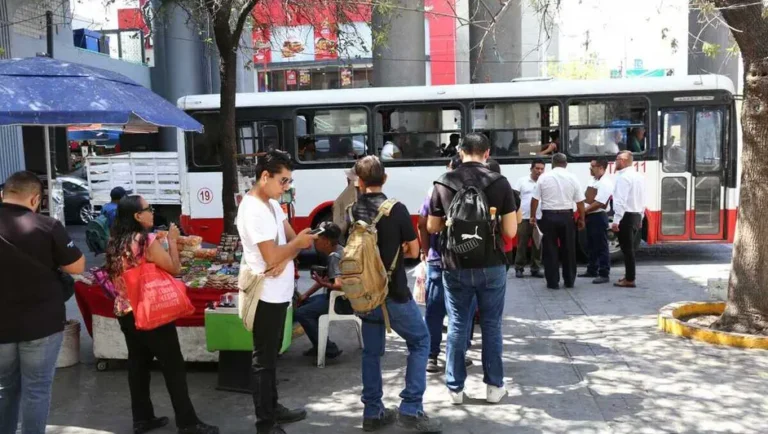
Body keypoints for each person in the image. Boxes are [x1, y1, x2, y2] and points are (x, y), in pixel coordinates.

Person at [104, 195, 217, 434]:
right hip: (151, 310)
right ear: (137, 216)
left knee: (138, 365)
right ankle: (188, 423)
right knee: (173, 366)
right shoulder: (145, 240)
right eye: (149, 209)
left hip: (126, 311)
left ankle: (142, 418)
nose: (152, 213)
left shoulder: (115, 241)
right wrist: (174, 241)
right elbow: (174, 268)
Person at [427, 133, 519, 406]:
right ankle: (493, 388)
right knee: (491, 326)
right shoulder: (500, 183)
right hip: (491, 265)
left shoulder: (443, 182)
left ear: (460, 151)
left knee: (457, 324)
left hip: (454, 264)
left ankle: (455, 390)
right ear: (487, 153)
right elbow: (510, 231)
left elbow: (432, 227)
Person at [351, 156, 441, 433]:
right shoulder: (397, 209)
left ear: (360, 181)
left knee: (371, 352)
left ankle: (372, 412)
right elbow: (414, 251)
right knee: (420, 341)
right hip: (394, 293)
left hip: (365, 294)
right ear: (385, 179)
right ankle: (411, 409)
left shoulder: (352, 210)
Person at [236, 150, 317, 434]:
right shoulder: (253, 209)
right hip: (265, 295)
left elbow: (289, 238)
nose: (286, 187)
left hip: (278, 291)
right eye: (283, 181)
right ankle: (265, 423)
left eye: (289, 182)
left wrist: (296, 246)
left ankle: (273, 409)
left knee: (271, 359)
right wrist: (288, 252)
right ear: (265, 176)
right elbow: (272, 256)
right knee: (264, 361)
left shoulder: (271, 203)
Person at [0, 171, 86, 434]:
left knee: (4, 388)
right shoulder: (47, 226)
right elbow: (77, 266)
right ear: (36, 199)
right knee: (36, 390)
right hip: (42, 323)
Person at [417, 156, 475, 374]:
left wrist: (425, 252)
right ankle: (458, 355)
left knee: (434, 308)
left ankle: (431, 356)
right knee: (462, 311)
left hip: (438, 258)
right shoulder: (474, 192)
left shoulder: (435, 190)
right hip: (466, 260)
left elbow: (423, 224)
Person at [294, 222, 352, 360]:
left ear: (326, 241)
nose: (314, 241)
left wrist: (323, 283)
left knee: (302, 313)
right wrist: (306, 294)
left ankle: (328, 349)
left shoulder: (334, 256)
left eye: (317, 239)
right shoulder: (339, 249)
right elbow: (327, 277)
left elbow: (339, 285)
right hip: (337, 298)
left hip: (341, 302)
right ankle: (319, 344)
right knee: (304, 304)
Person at [530, 153, 586, 290]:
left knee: (550, 250)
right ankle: (569, 280)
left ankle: (553, 282)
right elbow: (580, 202)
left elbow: (535, 200)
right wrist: (582, 219)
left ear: (552, 163)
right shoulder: (573, 178)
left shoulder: (543, 178)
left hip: (548, 217)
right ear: (566, 164)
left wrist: (532, 216)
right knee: (569, 249)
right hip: (567, 216)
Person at [611, 151, 646, 288]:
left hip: (626, 216)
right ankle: (628, 276)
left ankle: (630, 279)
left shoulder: (623, 178)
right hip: (636, 215)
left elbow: (620, 202)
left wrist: (616, 220)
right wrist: (641, 216)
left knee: (627, 250)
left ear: (624, 160)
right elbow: (643, 199)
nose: (615, 162)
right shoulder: (638, 176)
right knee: (629, 249)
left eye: (617, 159)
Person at [579, 158, 614, 284]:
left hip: (598, 216)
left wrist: (583, 212)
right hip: (591, 216)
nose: (590, 169)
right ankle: (592, 269)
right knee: (591, 245)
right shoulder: (593, 180)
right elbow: (586, 197)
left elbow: (599, 203)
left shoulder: (606, 183)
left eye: (593, 166)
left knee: (601, 246)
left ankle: (604, 273)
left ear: (601, 168)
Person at [512, 159, 545, 279]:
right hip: (524, 217)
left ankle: (535, 268)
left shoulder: (545, 182)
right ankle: (519, 268)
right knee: (522, 244)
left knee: (538, 244)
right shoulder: (522, 181)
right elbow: (515, 198)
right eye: (537, 168)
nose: (539, 171)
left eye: (542, 169)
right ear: (531, 169)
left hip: (540, 218)